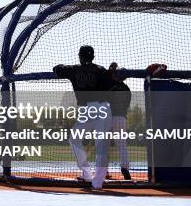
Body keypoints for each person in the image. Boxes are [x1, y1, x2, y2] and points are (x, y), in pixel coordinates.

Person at [53, 45, 115, 190]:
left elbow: (57, 69)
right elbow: (112, 85)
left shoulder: (74, 69)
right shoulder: (101, 70)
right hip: (104, 107)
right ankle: (97, 183)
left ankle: (87, 174)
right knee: (101, 146)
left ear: (80, 57)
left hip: (87, 109)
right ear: (93, 57)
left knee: (74, 138)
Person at [108, 62, 132, 180]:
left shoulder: (110, 85)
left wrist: (111, 69)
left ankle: (103, 170)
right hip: (121, 117)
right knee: (122, 144)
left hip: (108, 117)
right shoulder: (127, 89)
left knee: (103, 144)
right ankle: (125, 168)